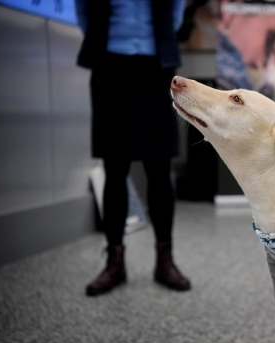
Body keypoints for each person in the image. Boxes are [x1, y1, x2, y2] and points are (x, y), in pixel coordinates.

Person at [75, 0, 191, 296]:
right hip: (109, 66)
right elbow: (84, 10)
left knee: (160, 167)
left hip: (157, 66)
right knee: (114, 168)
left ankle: (165, 261)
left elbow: (175, 11)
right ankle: (115, 262)